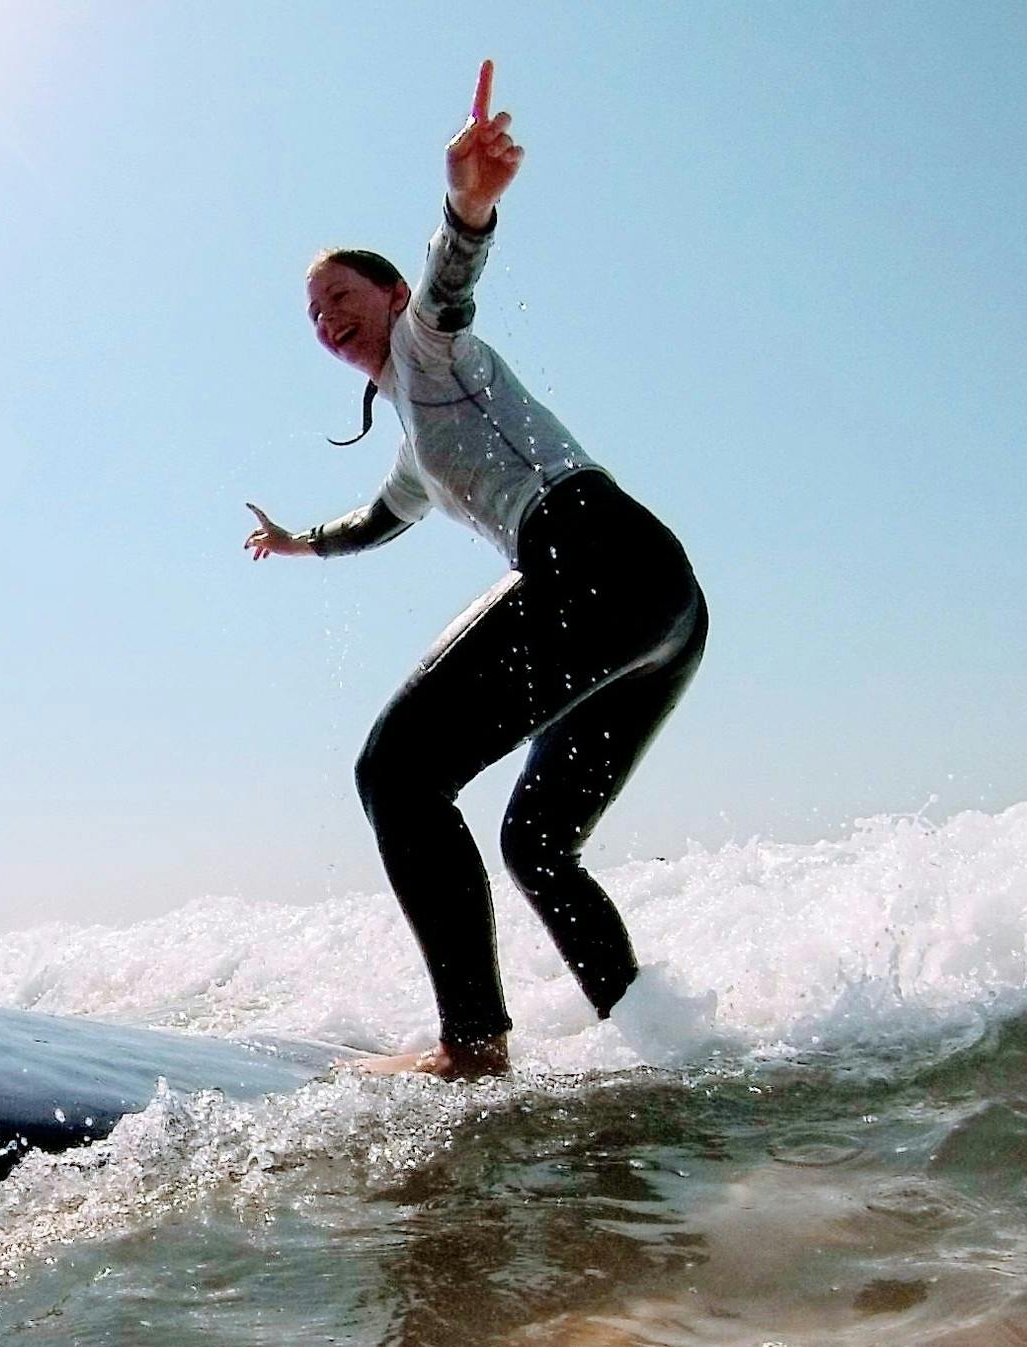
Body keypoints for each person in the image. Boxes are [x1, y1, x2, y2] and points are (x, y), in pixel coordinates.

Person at [244, 61, 708, 1079]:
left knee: (395, 773)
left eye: (341, 295)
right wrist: (298, 543)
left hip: (592, 556)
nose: (326, 317)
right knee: (537, 843)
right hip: (660, 601)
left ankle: (473, 1048)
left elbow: (450, 289)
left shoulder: (428, 353)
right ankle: (669, 1049)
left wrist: (464, 207)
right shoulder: (417, 444)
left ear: (391, 296)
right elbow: (378, 519)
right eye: (312, 312)